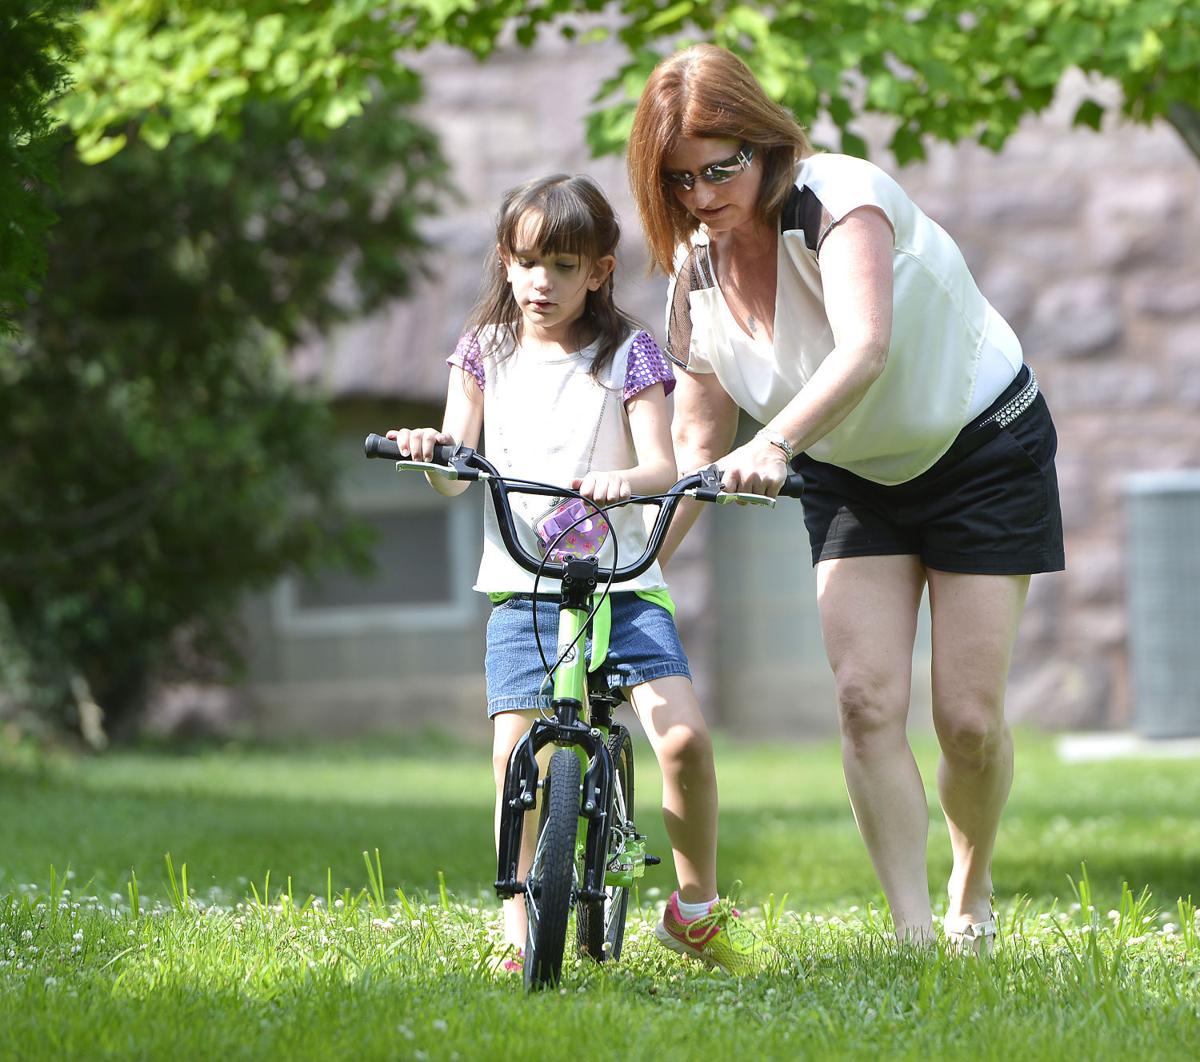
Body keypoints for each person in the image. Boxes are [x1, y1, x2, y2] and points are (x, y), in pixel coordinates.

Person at [627, 45, 1064, 950]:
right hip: (848, 467)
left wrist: (778, 439)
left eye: (722, 167)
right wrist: (636, 568)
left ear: (762, 143)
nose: (704, 195)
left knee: (968, 721)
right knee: (866, 700)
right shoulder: (694, 280)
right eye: (679, 181)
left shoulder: (839, 197)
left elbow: (862, 348)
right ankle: (912, 937)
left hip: (979, 444)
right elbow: (698, 446)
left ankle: (970, 895)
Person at [386, 173, 767, 973]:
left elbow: (662, 464)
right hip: (525, 589)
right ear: (505, 261)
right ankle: (516, 919)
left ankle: (694, 908)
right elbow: (459, 468)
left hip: (621, 586)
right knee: (510, 753)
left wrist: (620, 481)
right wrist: (432, 453)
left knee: (687, 739)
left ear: (598, 270)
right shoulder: (482, 352)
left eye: (563, 266)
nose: (540, 282)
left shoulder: (627, 355)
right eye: (526, 262)